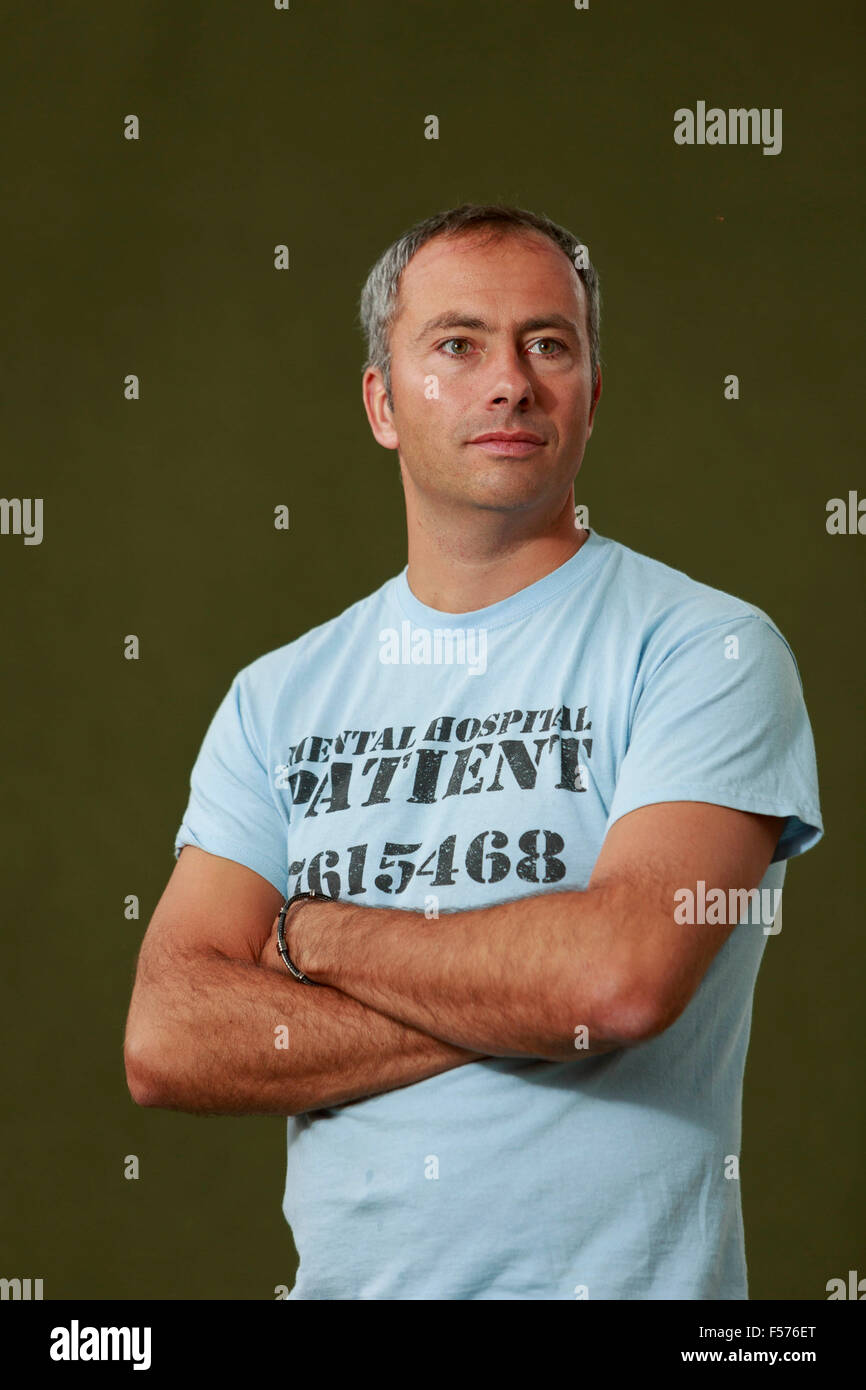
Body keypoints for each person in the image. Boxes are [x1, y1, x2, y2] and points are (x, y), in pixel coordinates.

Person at [124, 202, 823, 1300]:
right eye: (456, 344)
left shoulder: (706, 650)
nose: (509, 381)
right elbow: (169, 1038)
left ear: (592, 393)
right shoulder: (276, 698)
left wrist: (309, 931)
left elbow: (618, 979)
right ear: (381, 402)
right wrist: (521, 994)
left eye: (548, 343)